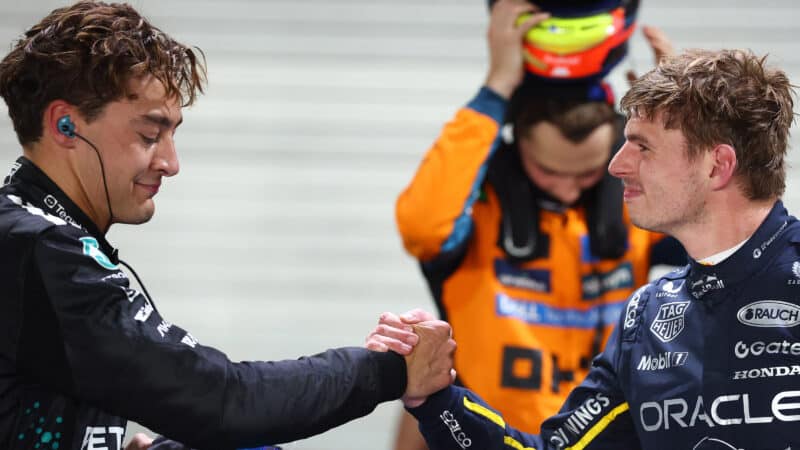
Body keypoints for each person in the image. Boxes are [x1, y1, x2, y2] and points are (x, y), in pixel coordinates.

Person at [0, 2, 456, 450]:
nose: (171, 163)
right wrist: (387, 370)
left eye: (173, 134)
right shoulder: (36, 248)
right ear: (65, 124)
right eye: (149, 134)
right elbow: (221, 402)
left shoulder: (38, 242)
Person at [373, 47, 799, 448]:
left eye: (643, 147)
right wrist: (433, 399)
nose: (616, 166)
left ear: (716, 165)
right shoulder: (645, 315)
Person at [391, 0, 683, 447]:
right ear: (515, 146)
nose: (568, 189)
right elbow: (421, 227)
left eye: (586, 174)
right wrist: (496, 88)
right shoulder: (482, 207)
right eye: (550, 171)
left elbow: (728, 230)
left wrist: (684, 129)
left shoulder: (637, 209)